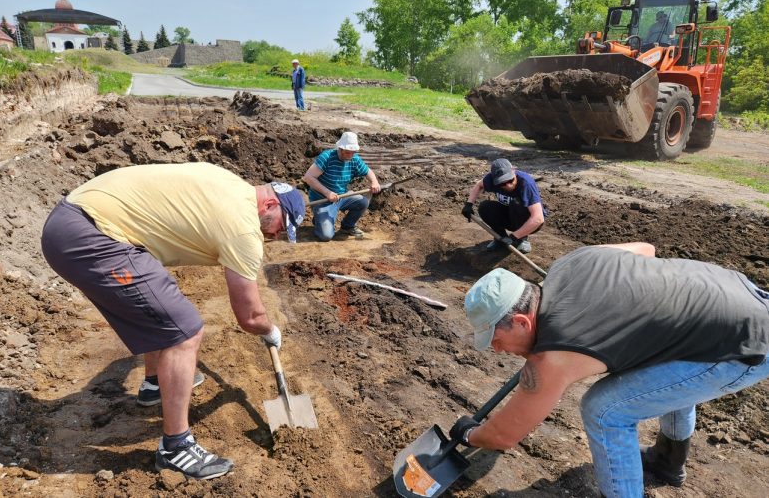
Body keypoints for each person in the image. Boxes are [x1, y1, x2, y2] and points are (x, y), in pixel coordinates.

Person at [41, 162, 306, 480]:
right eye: (281, 225)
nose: (275, 235)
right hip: (91, 237)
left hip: (75, 220)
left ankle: (154, 384)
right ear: (270, 204)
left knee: (162, 308)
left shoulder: (232, 185)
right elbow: (249, 316)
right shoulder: (244, 228)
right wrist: (269, 329)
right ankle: (176, 449)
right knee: (184, 332)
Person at [452, 243, 769, 498]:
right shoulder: (570, 264)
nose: (496, 349)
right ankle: (668, 461)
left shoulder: (552, 359)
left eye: (495, 339)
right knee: (666, 346)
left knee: (604, 411)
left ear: (522, 322)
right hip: (740, 297)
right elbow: (646, 250)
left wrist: (469, 434)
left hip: (745, 344)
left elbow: (504, 435)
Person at [303, 131, 381, 241]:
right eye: (348, 152)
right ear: (340, 148)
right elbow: (308, 177)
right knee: (326, 236)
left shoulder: (354, 158)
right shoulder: (327, 157)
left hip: (341, 197)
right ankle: (319, 220)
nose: (350, 155)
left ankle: (347, 226)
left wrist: (374, 182)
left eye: (353, 152)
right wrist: (327, 193)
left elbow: (368, 171)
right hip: (322, 200)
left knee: (362, 202)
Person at [461, 158, 546, 254]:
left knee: (516, 203)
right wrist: (469, 204)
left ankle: (522, 239)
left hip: (529, 222)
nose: (508, 185)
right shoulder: (490, 179)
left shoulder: (526, 183)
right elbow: (479, 185)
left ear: (513, 171)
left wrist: (514, 237)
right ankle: (500, 238)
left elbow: (538, 219)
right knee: (485, 207)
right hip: (510, 216)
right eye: (502, 183)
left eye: (510, 180)